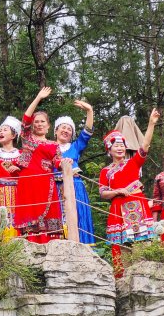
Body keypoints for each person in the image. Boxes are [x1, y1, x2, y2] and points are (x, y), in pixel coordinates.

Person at [100, 109, 160, 269]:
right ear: (109, 150)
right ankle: (122, 278)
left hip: (137, 205)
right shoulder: (105, 171)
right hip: (117, 209)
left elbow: (145, 146)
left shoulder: (133, 163)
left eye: (122, 145)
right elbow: (103, 193)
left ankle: (143, 274)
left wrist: (151, 124)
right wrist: (117, 191)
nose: (120, 148)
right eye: (116, 145)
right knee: (122, 248)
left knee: (142, 245)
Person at [15, 87, 67, 243]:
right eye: (36, 122)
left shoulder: (54, 145)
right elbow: (25, 118)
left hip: (46, 183)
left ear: (48, 126)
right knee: (30, 215)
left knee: (50, 216)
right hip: (28, 183)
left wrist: (65, 163)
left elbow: (57, 161)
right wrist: (38, 98)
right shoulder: (27, 139)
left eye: (42, 121)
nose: (39, 124)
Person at [52, 101, 96, 245]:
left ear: (72, 134)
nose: (66, 131)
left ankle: (82, 247)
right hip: (54, 188)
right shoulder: (48, 147)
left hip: (75, 186)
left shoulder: (75, 147)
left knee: (78, 216)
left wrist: (89, 111)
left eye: (69, 129)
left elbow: (87, 133)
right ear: (56, 131)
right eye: (63, 127)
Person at [0, 116, 22, 240]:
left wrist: (18, 169)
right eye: (0, 130)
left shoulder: (20, 155)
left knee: (17, 217)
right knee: (0, 217)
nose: (1, 132)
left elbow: (27, 173)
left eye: (5, 130)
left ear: (13, 135)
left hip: (17, 192)